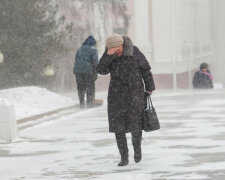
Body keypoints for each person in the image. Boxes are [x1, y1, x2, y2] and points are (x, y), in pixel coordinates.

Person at [97, 33, 155, 166]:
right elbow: (101, 70)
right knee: (118, 128)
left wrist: (149, 87)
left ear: (122, 45)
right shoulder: (110, 55)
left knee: (136, 125)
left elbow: (146, 70)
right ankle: (124, 157)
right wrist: (108, 55)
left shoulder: (135, 52)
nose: (116, 51)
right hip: (116, 96)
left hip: (134, 93)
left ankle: (137, 149)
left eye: (117, 48)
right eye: (112, 49)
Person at [73, 36, 99, 108]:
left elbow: (76, 60)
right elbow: (96, 62)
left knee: (81, 87)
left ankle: (81, 103)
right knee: (90, 86)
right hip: (88, 71)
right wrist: (96, 72)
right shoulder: (93, 50)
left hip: (78, 71)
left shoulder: (79, 49)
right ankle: (90, 103)